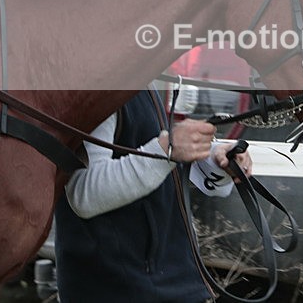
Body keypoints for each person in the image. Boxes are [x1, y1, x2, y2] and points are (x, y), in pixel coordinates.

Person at [54, 88, 252, 303]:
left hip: (172, 283)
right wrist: (167, 151)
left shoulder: (141, 83)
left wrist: (215, 159)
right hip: (118, 289)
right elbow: (84, 194)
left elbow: (151, 155)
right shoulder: (101, 89)